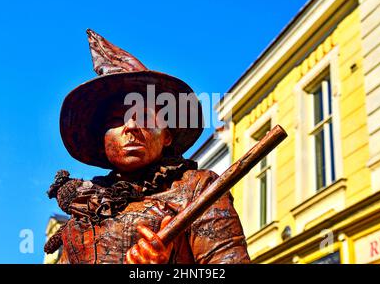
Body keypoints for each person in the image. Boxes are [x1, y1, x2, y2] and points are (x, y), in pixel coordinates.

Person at [44, 29, 250, 264]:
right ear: (102, 140)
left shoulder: (197, 189)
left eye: (144, 117)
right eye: (116, 120)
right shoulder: (83, 212)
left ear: (167, 136)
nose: (131, 127)